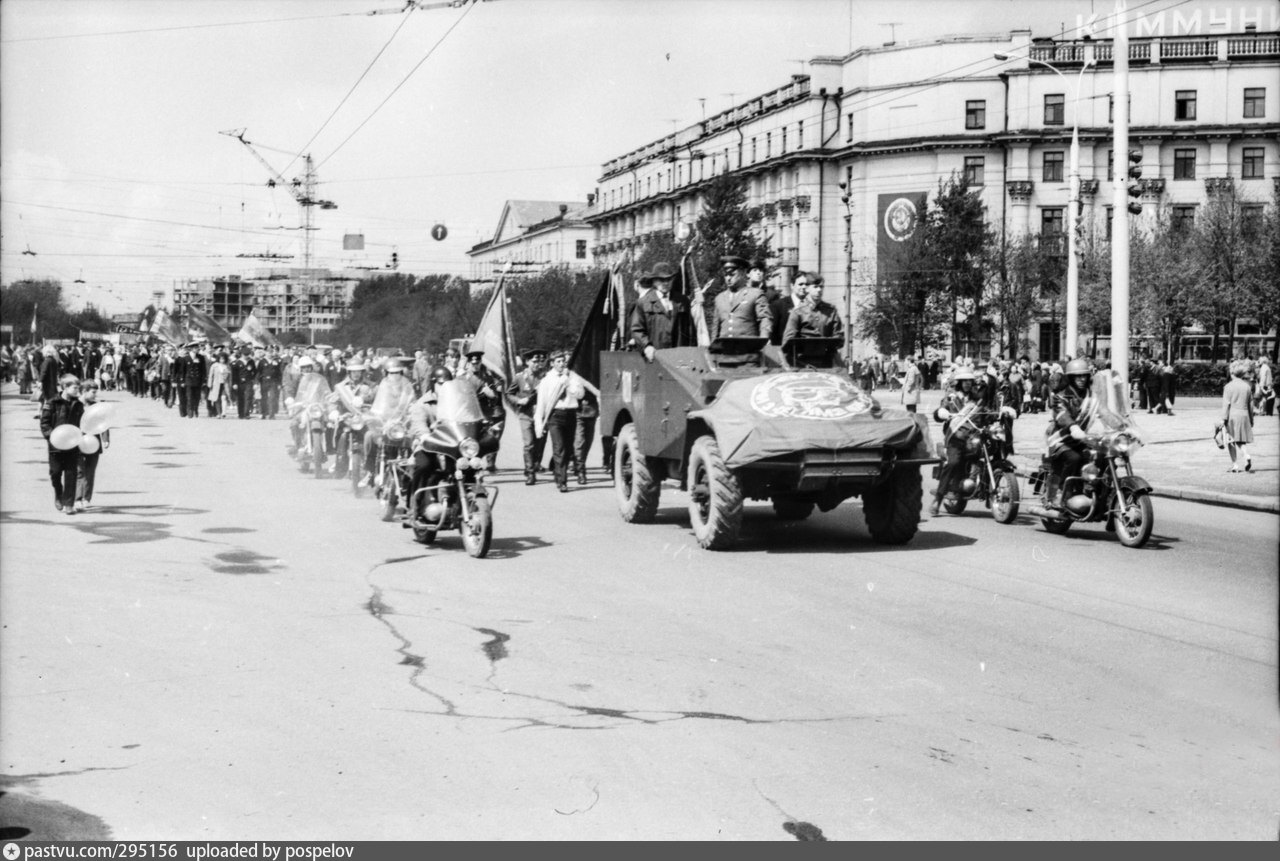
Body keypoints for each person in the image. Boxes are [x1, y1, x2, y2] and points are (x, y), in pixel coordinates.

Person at [928, 368, 989, 516]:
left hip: (973, 437)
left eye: (970, 381)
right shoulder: (951, 397)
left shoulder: (976, 399)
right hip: (956, 438)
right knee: (953, 463)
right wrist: (941, 413)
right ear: (959, 383)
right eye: (965, 381)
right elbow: (939, 411)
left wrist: (1001, 413)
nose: (968, 384)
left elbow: (985, 411)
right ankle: (938, 499)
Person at [1044, 358, 1098, 509]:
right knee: (1074, 458)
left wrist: (1123, 426)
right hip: (1061, 440)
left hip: (1081, 440)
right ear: (1070, 378)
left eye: (1084, 376)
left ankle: (1092, 489)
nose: (1081, 379)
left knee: (1102, 456)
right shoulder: (1060, 396)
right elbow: (1062, 415)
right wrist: (1073, 427)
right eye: (1077, 376)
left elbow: (1106, 412)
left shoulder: (1092, 396)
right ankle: (1061, 493)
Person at [534, 349, 586, 492]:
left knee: (568, 449)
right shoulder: (546, 380)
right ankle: (562, 481)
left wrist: (570, 386)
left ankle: (558, 474)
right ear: (552, 364)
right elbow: (541, 404)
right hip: (555, 415)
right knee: (559, 448)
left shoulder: (572, 377)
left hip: (570, 413)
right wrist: (539, 425)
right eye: (558, 361)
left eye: (563, 361)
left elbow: (581, 395)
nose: (562, 364)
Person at [40, 374, 85, 515]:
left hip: (72, 445)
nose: (78, 390)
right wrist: (51, 437)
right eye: (75, 388)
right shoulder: (52, 402)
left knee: (71, 474)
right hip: (56, 446)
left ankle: (69, 504)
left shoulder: (78, 404)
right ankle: (58, 494)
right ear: (65, 387)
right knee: (56, 473)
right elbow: (45, 423)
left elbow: (82, 423)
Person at [507, 348, 548, 485]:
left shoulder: (545, 377)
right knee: (529, 444)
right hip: (526, 414)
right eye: (534, 361)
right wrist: (519, 401)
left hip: (541, 415)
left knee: (539, 443)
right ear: (527, 362)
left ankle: (535, 463)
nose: (537, 364)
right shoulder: (520, 377)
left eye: (540, 361)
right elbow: (509, 394)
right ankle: (530, 473)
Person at [708, 255, 771, 341]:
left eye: (732, 274)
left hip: (747, 348)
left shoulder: (755, 294)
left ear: (742, 273)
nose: (728, 278)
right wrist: (712, 346)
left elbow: (765, 319)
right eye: (726, 275)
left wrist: (764, 340)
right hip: (724, 348)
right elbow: (715, 328)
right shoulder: (719, 298)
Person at [630, 262, 683, 360]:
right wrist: (646, 346)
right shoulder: (643, 303)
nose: (665, 283)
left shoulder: (682, 302)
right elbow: (637, 330)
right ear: (654, 281)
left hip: (679, 359)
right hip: (655, 359)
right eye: (661, 279)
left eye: (668, 279)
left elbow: (691, 332)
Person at [74, 379, 109, 511]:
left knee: (90, 471)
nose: (95, 395)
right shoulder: (75, 405)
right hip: (78, 441)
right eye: (93, 392)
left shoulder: (96, 406)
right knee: (79, 471)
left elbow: (104, 422)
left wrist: (105, 438)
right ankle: (77, 498)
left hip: (94, 442)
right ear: (84, 391)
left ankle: (86, 499)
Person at [781, 274, 843, 345]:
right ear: (807, 289)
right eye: (815, 287)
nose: (819, 290)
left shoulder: (831, 311)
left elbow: (839, 336)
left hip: (826, 354)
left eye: (821, 287)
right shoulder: (798, 312)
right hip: (803, 354)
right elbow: (788, 341)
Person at [1219, 361, 1255, 473]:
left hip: (1232, 415)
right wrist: (1251, 419)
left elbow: (1226, 404)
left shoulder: (1228, 387)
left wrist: (1223, 419)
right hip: (1244, 415)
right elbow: (1251, 405)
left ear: (1232, 373)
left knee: (1231, 440)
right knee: (1241, 440)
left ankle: (1235, 464)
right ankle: (1246, 455)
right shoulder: (1247, 387)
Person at [206, 352, 231, 418]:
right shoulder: (214, 366)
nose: (222, 360)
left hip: (225, 384)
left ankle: (223, 412)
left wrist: (230, 384)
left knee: (224, 398)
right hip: (216, 384)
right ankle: (218, 413)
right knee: (216, 399)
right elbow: (211, 375)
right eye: (220, 359)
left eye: (223, 359)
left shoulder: (227, 366)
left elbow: (230, 377)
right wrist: (209, 384)